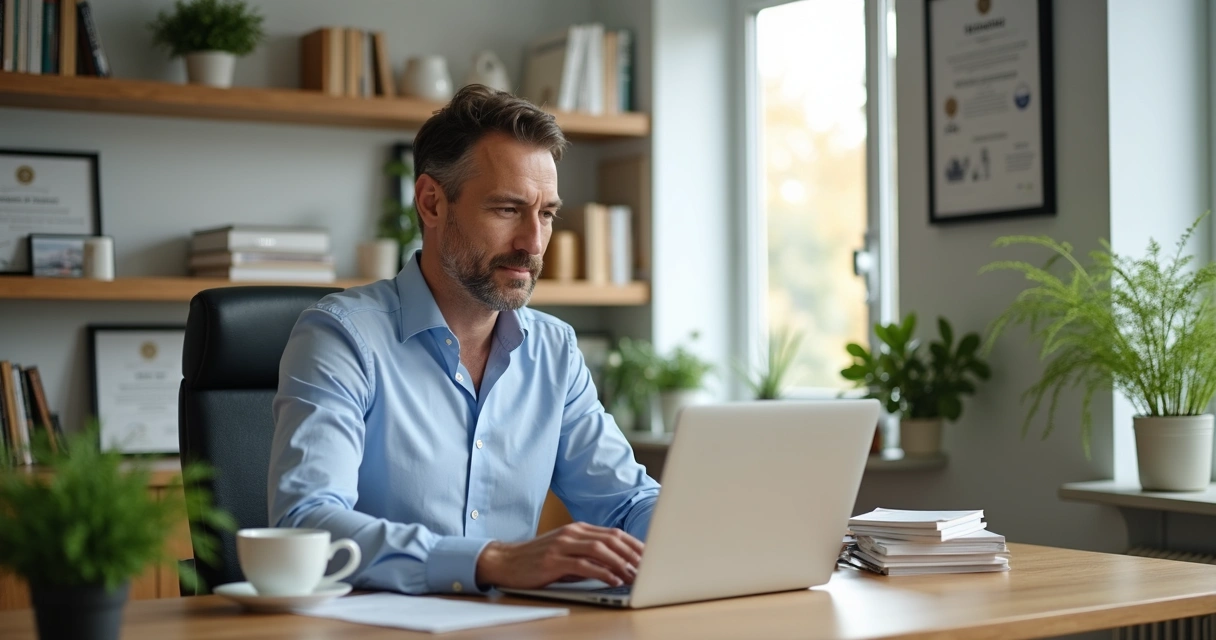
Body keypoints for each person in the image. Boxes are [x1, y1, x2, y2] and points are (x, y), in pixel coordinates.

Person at [267, 84, 660, 596]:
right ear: (432, 202)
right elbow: (308, 522)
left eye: (545, 214)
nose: (533, 244)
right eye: (506, 210)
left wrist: (699, 538)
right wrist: (490, 561)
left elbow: (627, 503)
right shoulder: (342, 337)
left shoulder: (554, 351)